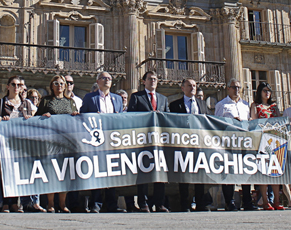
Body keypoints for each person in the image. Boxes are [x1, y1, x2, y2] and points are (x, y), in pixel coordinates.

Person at [81, 72, 124, 213]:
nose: (107, 80)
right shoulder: (89, 98)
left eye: (109, 79)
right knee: (97, 172)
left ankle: (112, 204)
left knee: (113, 173)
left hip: (113, 139)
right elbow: (83, 116)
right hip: (97, 141)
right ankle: (96, 204)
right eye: (104, 78)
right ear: (98, 81)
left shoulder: (117, 99)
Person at [36, 75, 80, 212]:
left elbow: (76, 118)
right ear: (52, 86)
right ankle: (50, 203)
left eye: (62, 83)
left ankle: (62, 203)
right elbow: (36, 117)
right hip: (51, 141)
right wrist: (43, 117)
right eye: (56, 83)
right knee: (51, 172)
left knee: (65, 172)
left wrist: (76, 115)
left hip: (66, 141)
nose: (59, 85)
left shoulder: (70, 102)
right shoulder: (46, 101)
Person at [127, 71, 169, 212]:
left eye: (155, 79)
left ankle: (159, 203)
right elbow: (131, 117)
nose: (153, 81)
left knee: (161, 173)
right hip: (143, 140)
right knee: (143, 173)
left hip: (159, 142)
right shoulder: (136, 97)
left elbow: (168, 118)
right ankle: (143, 203)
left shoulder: (163, 99)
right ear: (143, 81)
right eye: (150, 79)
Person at [250, 82, 291, 210]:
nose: (267, 93)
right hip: (262, 140)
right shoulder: (255, 105)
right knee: (263, 172)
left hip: (275, 141)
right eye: (264, 90)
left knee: (275, 170)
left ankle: (277, 202)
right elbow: (254, 121)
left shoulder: (274, 107)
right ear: (259, 92)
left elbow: (279, 120)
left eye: (269, 90)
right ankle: (265, 200)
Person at [169, 78, 207, 212]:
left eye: (194, 86)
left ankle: (201, 203)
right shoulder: (174, 105)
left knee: (200, 174)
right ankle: (184, 203)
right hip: (182, 144)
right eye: (189, 86)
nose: (192, 88)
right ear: (182, 88)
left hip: (199, 144)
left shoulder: (202, 104)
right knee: (183, 175)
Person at [216, 78, 254, 211]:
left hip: (244, 142)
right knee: (228, 171)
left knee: (246, 171)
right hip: (229, 142)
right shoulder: (222, 104)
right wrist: (232, 121)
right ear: (228, 89)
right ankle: (229, 201)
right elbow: (218, 124)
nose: (236, 90)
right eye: (234, 87)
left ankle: (247, 202)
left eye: (238, 87)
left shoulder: (245, 105)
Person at [0, 76, 30, 212]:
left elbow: (32, 123)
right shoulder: (1, 103)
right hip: (6, 143)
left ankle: (15, 202)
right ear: (8, 86)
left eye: (19, 85)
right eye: (13, 84)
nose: (16, 87)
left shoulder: (25, 104)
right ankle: (4, 202)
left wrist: (29, 119)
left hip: (20, 144)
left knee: (18, 173)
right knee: (5, 173)